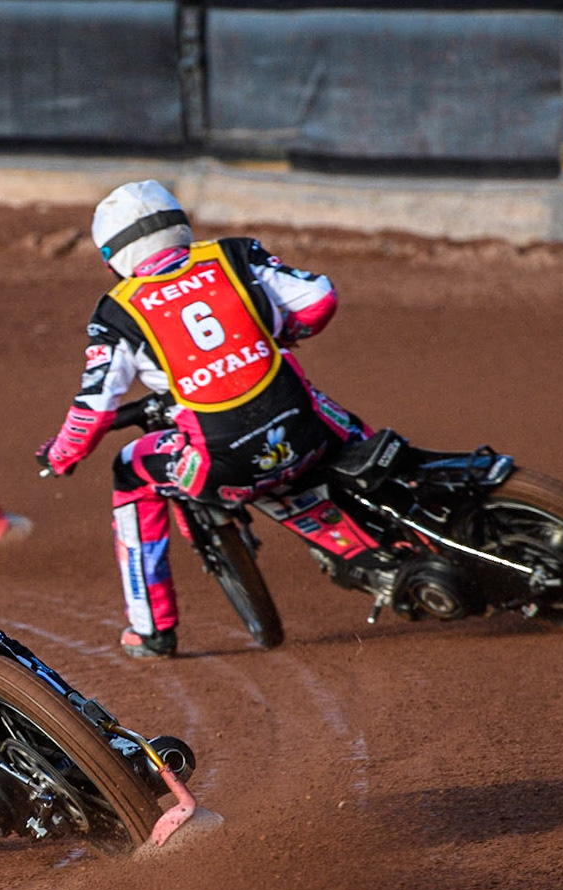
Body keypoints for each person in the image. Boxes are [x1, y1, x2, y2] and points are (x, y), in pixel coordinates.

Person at [35, 181, 368, 658]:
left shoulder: (118, 311)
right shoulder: (234, 253)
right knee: (341, 422)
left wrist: (61, 456)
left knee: (131, 471)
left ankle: (151, 629)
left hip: (224, 461)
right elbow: (318, 300)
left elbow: (94, 409)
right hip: (308, 430)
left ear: (112, 256)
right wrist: (278, 335)